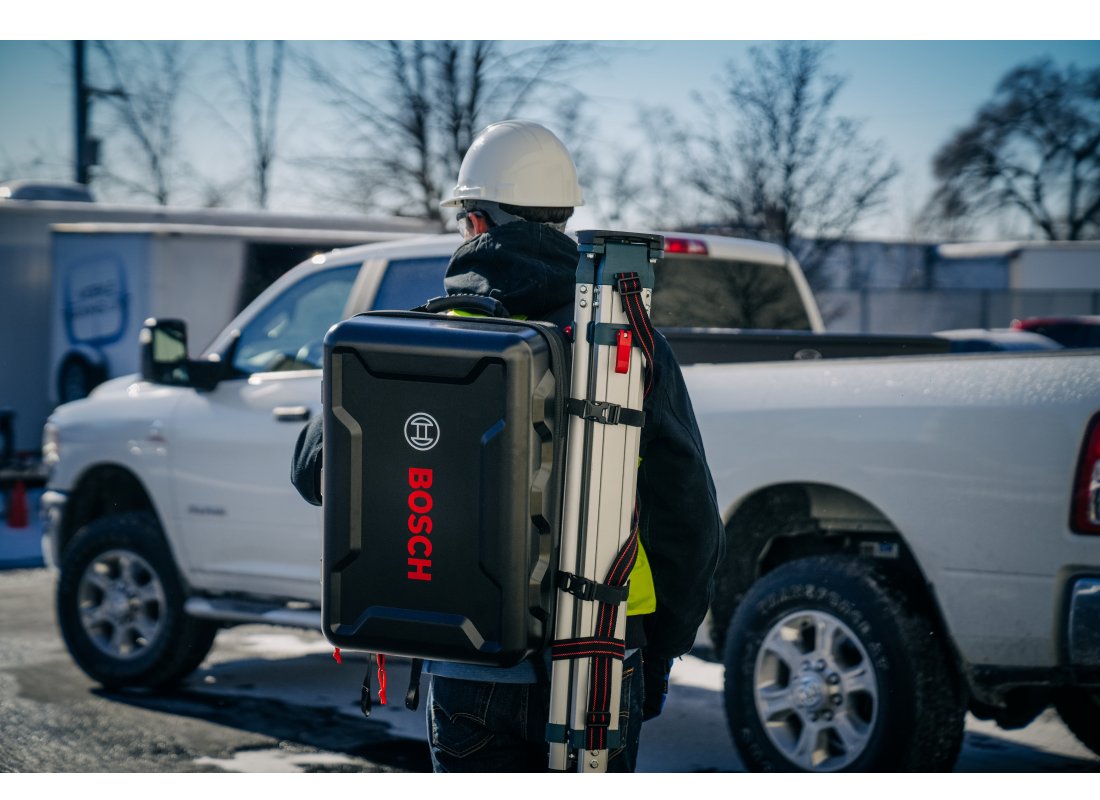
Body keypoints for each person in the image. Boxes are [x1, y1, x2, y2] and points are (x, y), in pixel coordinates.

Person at [291, 119, 724, 773]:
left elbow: (311, 469)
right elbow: (687, 518)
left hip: (473, 663)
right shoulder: (629, 346)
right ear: (563, 222)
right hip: (606, 661)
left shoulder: (422, 340)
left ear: (475, 222)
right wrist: (659, 651)